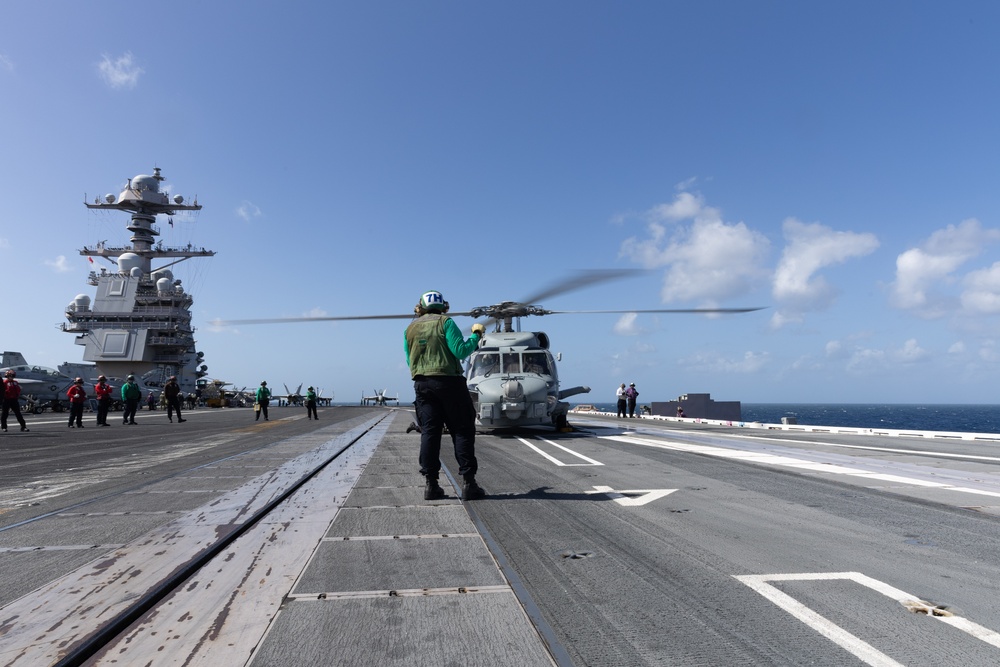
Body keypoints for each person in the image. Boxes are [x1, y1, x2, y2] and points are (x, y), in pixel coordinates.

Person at [404, 290, 487, 501]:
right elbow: (460, 351)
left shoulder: (410, 329)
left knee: (430, 433)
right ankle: (469, 484)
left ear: (420, 307)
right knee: (461, 430)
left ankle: (431, 485)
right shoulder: (446, 323)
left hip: (422, 384)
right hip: (449, 383)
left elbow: (409, 361)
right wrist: (476, 335)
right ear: (444, 307)